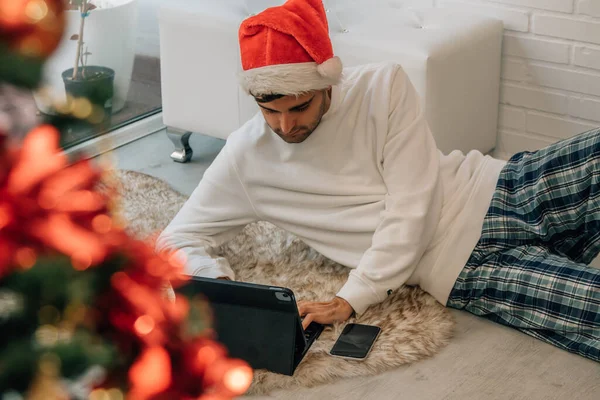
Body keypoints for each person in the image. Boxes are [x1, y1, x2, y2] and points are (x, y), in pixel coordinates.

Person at [156, 0, 599, 362]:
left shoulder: (384, 88)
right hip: (468, 267)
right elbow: (178, 236)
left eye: (299, 108)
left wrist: (354, 295)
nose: (285, 126)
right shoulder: (244, 158)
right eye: (271, 111)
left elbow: (413, 204)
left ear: (326, 83)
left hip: (502, 186)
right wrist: (225, 292)